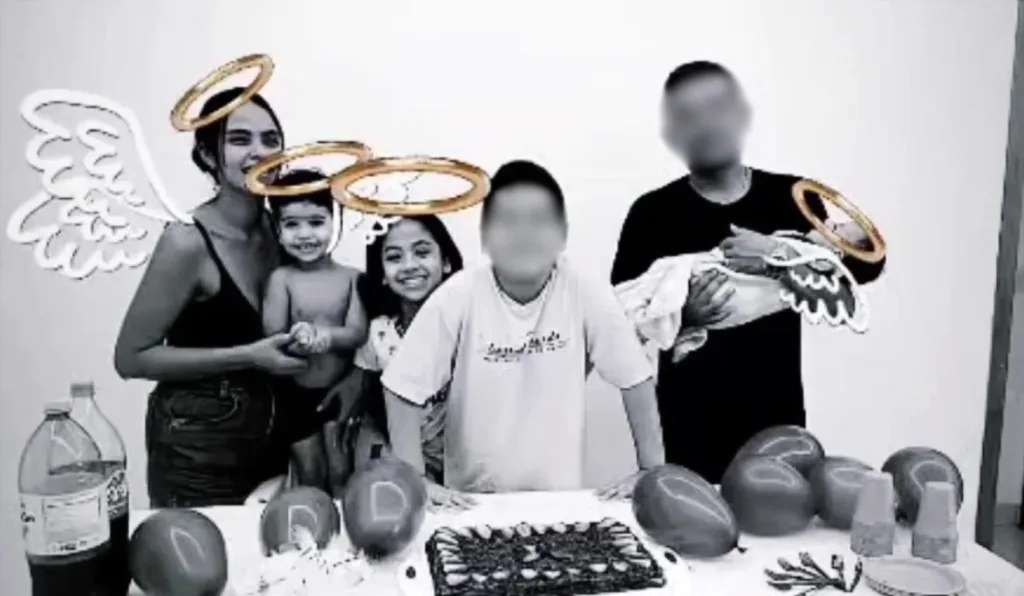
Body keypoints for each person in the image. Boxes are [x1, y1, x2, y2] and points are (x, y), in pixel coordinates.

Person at [610, 61, 885, 484]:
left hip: (778, 425)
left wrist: (778, 254)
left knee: (783, 521)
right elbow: (623, 319)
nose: (705, 124)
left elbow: (868, 263)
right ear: (672, 132)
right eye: (687, 115)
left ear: (741, 114)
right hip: (686, 426)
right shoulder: (652, 212)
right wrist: (685, 315)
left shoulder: (795, 197)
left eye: (716, 107)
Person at [382, 160, 665, 509]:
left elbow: (635, 376)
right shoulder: (458, 295)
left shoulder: (585, 291)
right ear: (485, 236)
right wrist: (415, 479)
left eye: (538, 221)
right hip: (472, 500)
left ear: (562, 234)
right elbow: (401, 387)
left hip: (558, 496)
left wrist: (651, 468)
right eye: (507, 221)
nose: (523, 235)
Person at [114, 88, 307, 507]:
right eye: (239, 140)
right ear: (207, 155)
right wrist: (249, 356)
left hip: (270, 450)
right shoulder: (186, 241)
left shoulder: (286, 232)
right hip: (196, 455)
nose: (260, 152)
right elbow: (130, 358)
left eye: (271, 139)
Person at [316, 215, 465, 487]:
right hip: (403, 453)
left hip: (460, 456)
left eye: (422, 253)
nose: (409, 266)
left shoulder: (467, 327)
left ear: (446, 262)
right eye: (395, 257)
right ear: (383, 275)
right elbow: (360, 386)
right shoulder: (380, 333)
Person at [261, 169, 368, 486]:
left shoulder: (353, 278)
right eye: (292, 224)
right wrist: (298, 339)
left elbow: (357, 333)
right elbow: (273, 336)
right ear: (277, 229)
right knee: (310, 473)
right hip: (294, 395)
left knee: (341, 470)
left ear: (336, 221)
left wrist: (325, 336)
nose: (304, 234)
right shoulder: (281, 279)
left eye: (316, 222)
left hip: (338, 390)